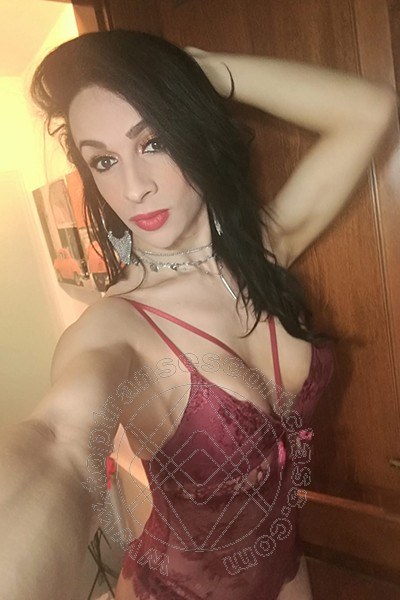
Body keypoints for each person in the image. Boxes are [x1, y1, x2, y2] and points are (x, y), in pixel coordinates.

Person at [0, 29, 396, 600]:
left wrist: (198, 73)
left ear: (195, 130)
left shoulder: (264, 249)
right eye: (104, 161)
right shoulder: (117, 326)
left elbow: (371, 109)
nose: (134, 188)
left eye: (154, 141)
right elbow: (59, 443)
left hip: (286, 568)